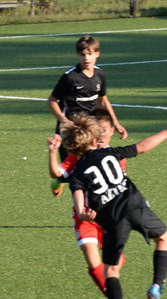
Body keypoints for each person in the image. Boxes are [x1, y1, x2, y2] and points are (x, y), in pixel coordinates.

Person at [66, 113, 167, 299]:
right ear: (94, 139)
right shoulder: (110, 152)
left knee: (111, 271)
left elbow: (79, 207)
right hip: (135, 207)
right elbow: (142, 147)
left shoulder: (77, 174)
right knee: (164, 238)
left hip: (112, 220)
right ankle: (156, 285)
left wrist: (84, 214)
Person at [47, 108, 125, 299]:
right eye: (98, 131)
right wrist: (53, 151)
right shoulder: (77, 157)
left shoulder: (115, 156)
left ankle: (115, 297)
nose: (101, 135)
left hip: (109, 217)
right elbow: (56, 172)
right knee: (91, 258)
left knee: (114, 262)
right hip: (84, 218)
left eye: (105, 130)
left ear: (111, 131)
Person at [47, 35, 127, 196]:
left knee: (92, 160)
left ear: (97, 54)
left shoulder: (100, 75)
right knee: (72, 166)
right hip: (72, 127)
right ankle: (60, 180)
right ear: (78, 55)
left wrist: (116, 123)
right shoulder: (70, 77)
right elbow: (51, 101)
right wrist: (64, 121)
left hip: (91, 126)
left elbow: (103, 99)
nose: (86, 58)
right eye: (82, 54)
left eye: (90, 54)